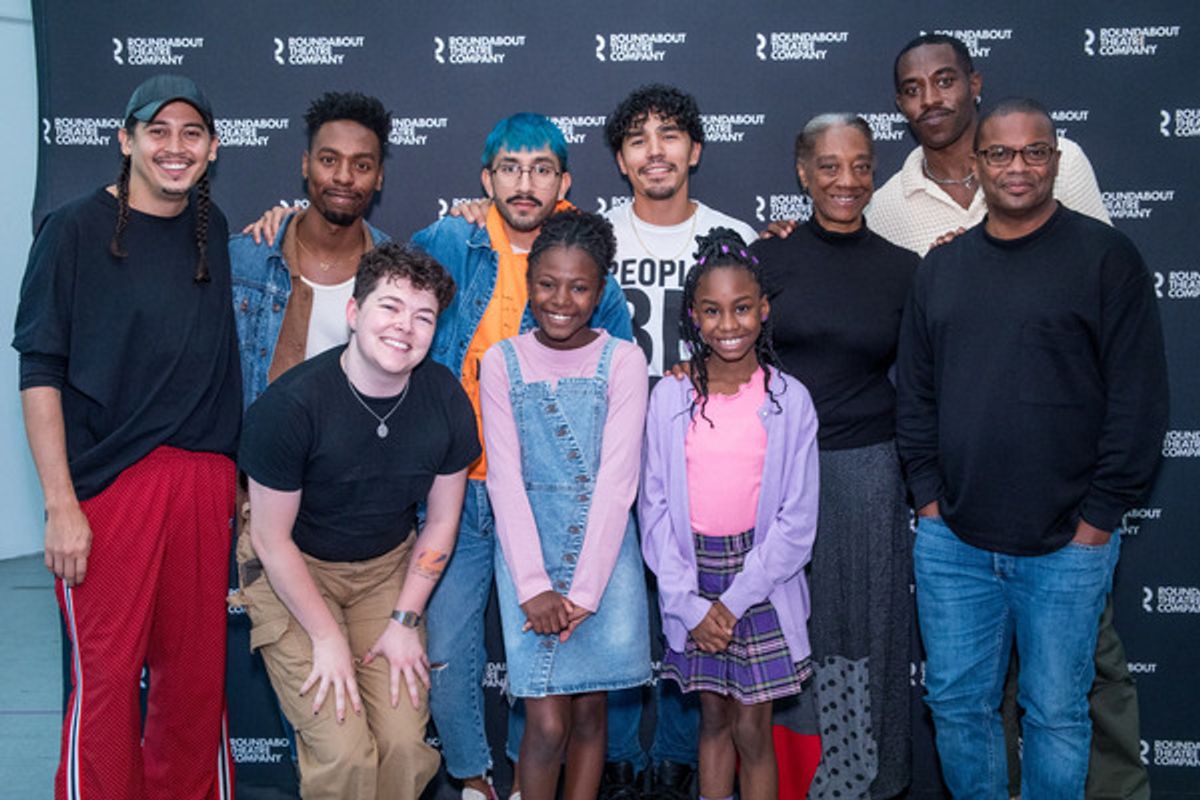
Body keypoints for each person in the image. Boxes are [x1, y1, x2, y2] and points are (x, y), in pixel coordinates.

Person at [895, 99, 1168, 799]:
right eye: (1001, 154)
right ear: (978, 165)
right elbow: (916, 397)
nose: (1019, 168)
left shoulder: (1108, 258)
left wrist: (1096, 524)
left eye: (1035, 152)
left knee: (1056, 715)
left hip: (1067, 548)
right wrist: (928, 503)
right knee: (958, 709)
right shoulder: (942, 268)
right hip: (954, 544)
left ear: (1055, 158)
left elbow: (1138, 402)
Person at [13, 74, 241, 799]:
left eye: (191, 134)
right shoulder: (71, 230)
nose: (175, 148)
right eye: (159, 131)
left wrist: (232, 490)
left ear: (211, 149)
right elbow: (40, 371)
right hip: (111, 488)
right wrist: (59, 504)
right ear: (127, 140)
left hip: (203, 483)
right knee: (108, 682)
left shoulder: (218, 229)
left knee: (197, 686)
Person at [412, 113, 633, 800]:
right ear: (486, 179)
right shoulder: (452, 240)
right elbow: (385, 286)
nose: (524, 181)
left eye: (541, 168)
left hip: (571, 506)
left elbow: (616, 415)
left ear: (563, 182)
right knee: (449, 649)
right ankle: (475, 779)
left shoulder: (604, 291)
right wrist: (283, 223)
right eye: (509, 167)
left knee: (569, 693)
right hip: (465, 489)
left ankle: (521, 779)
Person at [236, 243, 478, 800]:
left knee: (401, 744)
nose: (405, 327)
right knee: (344, 751)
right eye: (390, 307)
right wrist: (325, 638)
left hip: (385, 568)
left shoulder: (443, 398)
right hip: (294, 566)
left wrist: (404, 619)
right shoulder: (290, 408)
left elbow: (442, 522)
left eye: (423, 316)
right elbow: (270, 540)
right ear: (354, 313)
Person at [750, 114, 918, 799]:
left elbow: (925, 382)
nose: (845, 180)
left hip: (865, 472)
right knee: (787, 633)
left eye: (859, 165)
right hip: (775, 472)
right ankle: (796, 783)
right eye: (828, 165)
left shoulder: (906, 271)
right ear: (802, 172)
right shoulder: (768, 259)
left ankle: (862, 782)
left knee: (865, 631)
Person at [641, 228, 820, 800]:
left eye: (742, 308)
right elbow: (655, 510)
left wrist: (733, 601)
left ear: (763, 311)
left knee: (751, 727)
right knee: (715, 722)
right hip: (694, 577)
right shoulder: (670, 397)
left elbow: (797, 523)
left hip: (762, 581)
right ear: (692, 315)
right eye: (713, 311)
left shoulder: (789, 399)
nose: (729, 324)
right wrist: (689, 603)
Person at [480, 209, 651, 800]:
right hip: (529, 556)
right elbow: (504, 479)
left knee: (589, 716)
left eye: (579, 287)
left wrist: (583, 592)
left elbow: (617, 481)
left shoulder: (625, 361)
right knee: (546, 721)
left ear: (600, 289)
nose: (561, 300)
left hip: (602, 567)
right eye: (548, 284)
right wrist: (533, 584)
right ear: (530, 283)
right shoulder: (500, 362)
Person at [875, 33, 1110, 256]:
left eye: (945, 81)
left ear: (974, 84)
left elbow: (1105, 263)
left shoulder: (1059, 161)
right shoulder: (884, 209)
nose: (930, 100)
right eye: (912, 90)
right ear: (900, 104)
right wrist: (942, 267)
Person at [231, 91, 392, 408]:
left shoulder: (394, 274)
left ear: (379, 177)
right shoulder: (245, 261)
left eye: (361, 165)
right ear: (306, 165)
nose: (343, 177)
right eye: (329, 160)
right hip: (259, 453)